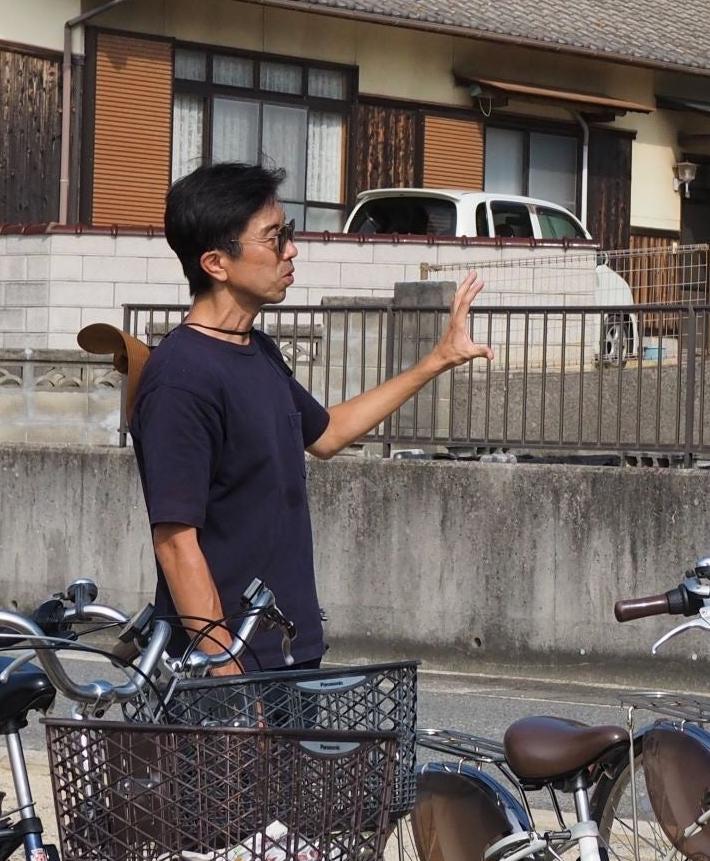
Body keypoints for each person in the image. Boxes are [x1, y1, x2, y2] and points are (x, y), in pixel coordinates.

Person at [133, 161, 490, 673]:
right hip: (228, 668)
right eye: (275, 238)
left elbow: (327, 433)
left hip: (288, 650)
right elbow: (175, 540)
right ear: (216, 262)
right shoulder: (181, 378)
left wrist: (438, 358)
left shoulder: (256, 349)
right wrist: (224, 672)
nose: (292, 250)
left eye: (289, 233)